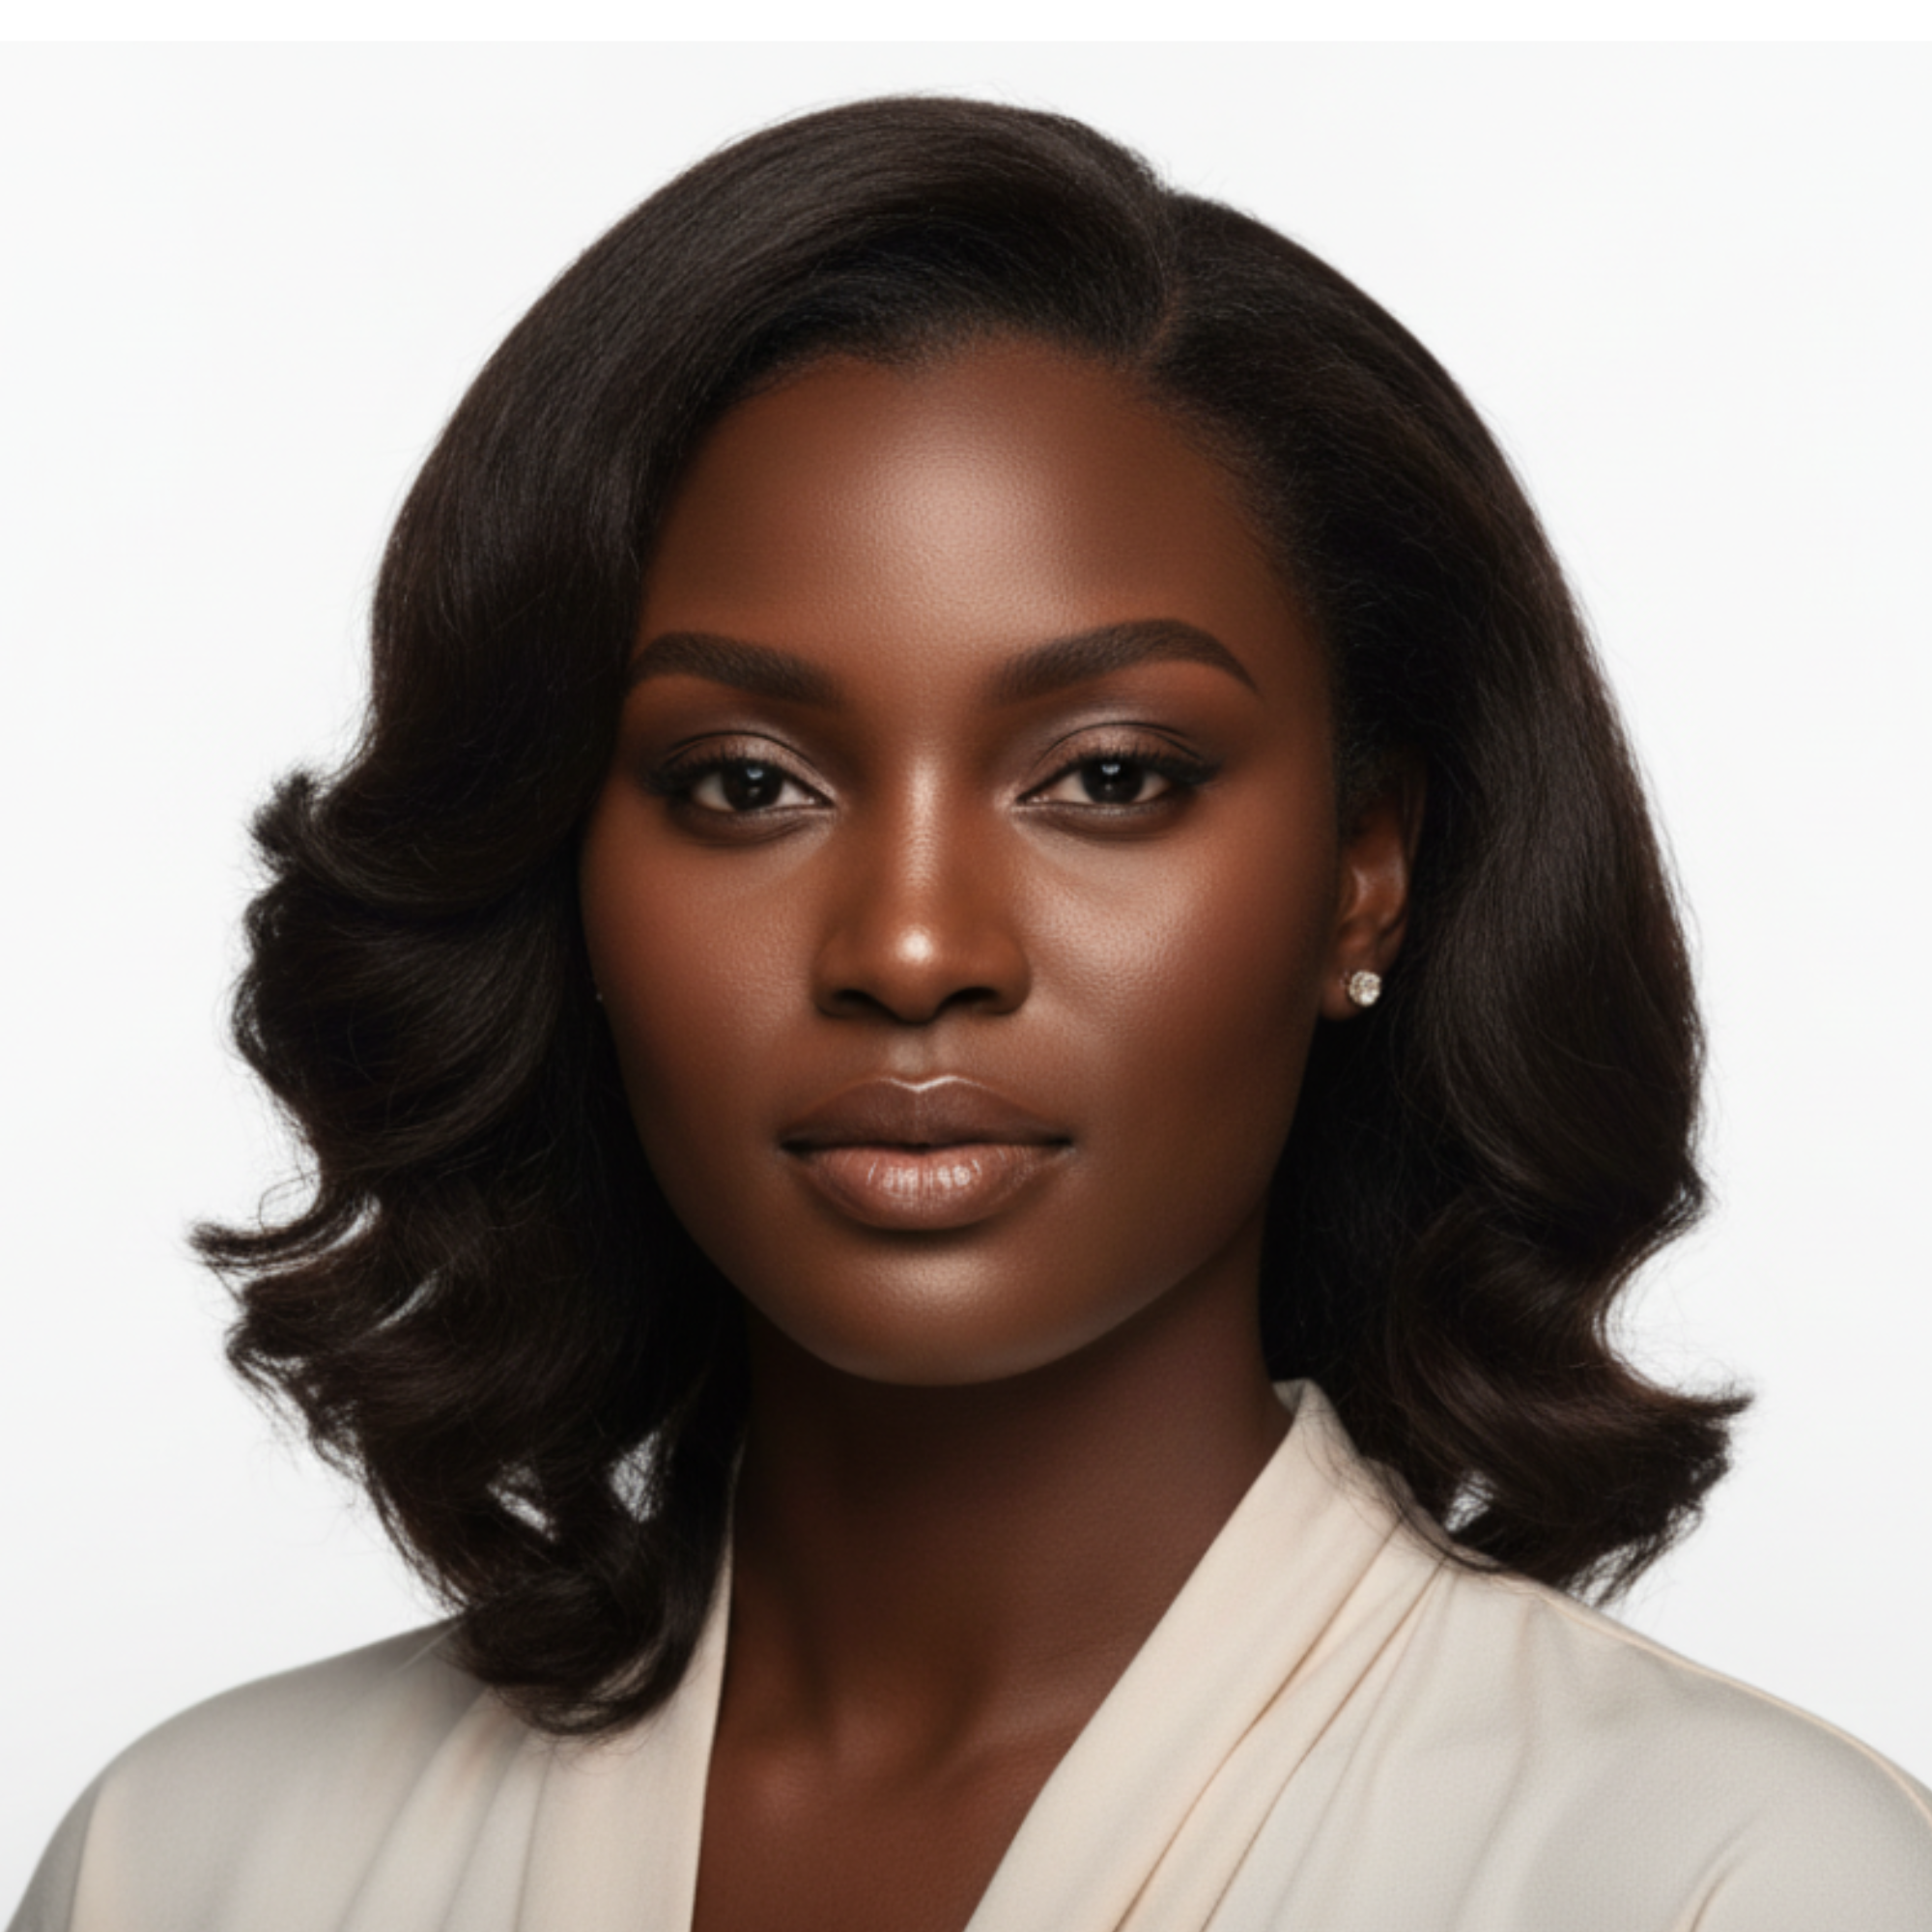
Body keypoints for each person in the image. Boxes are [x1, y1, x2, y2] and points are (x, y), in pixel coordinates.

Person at [12, 93, 1931, 1932]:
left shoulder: (1715, 1887)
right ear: (559, 868)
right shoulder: (194, 1867)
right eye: (744, 781)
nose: (913, 945)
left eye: (1106, 776)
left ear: (1365, 866)